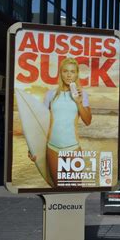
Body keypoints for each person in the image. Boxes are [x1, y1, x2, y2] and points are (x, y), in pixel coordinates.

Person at [29, 58, 92, 187]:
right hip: (52, 148)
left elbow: (88, 121)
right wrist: (32, 147)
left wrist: (78, 102)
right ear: (61, 73)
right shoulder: (50, 95)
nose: (69, 75)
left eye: (72, 72)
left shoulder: (82, 94)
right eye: (65, 71)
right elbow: (41, 123)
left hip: (73, 148)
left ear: (76, 74)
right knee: (57, 188)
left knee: (75, 188)